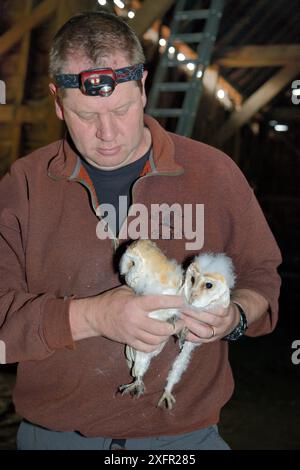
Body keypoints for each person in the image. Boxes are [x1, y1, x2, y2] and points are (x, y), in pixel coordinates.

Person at [0, 11, 281, 450]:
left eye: (122, 109)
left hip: (185, 440)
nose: (107, 133)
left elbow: (262, 275)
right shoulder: (24, 187)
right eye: (85, 115)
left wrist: (234, 316)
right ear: (57, 102)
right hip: (56, 438)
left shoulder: (215, 173)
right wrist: (94, 317)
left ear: (144, 87)